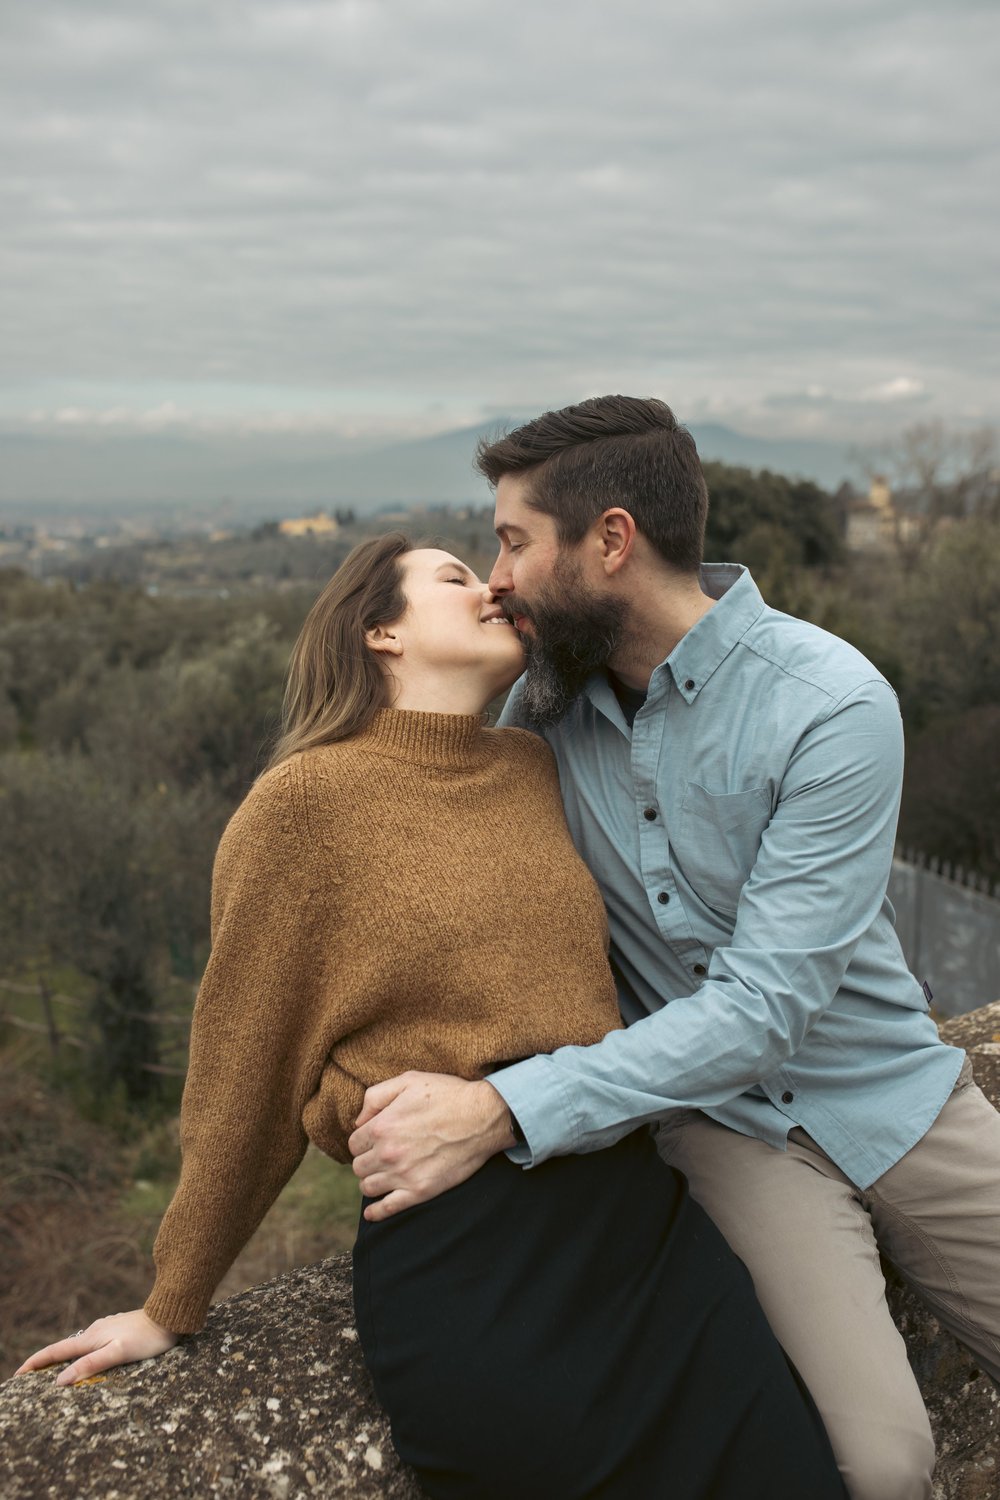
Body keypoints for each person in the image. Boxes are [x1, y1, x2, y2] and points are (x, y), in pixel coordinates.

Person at [15, 534, 846, 1499]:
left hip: (636, 1222)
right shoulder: (302, 806)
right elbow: (247, 1065)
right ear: (378, 631)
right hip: (469, 1258)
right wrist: (172, 1300)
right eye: (455, 578)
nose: (490, 586)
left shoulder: (530, 767)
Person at [347, 398, 1000, 1500]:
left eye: (511, 541)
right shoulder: (538, 721)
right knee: (878, 1466)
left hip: (897, 1094)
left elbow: (763, 1012)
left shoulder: (830, 703)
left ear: (609, 540)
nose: (494, 578)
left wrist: (506, 1109)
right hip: (730, 1135)